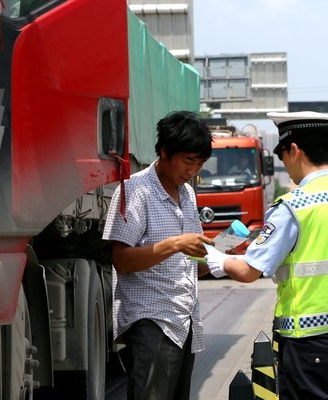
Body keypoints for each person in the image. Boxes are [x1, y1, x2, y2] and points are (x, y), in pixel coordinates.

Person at [205, 111, 328, 400]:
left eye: (283, 156)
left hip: (307, 346)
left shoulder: (293, 207)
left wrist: (217, 259)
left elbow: (248, 272)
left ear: (294, 150)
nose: (286, 165)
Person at [103, 111, 215, 400]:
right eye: (188, 161)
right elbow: (122, 260)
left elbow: (193, 266)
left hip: (185, 320)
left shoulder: (187, 194)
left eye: (199, 164)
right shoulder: (136, 190)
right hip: (152, 322)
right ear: (164, 151)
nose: (192, 170)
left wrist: (219, 257)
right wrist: (176, 243)